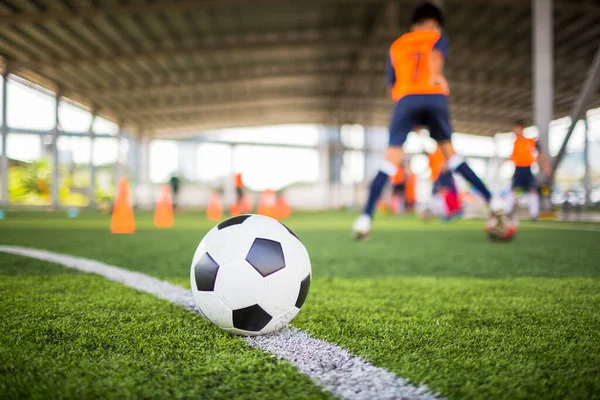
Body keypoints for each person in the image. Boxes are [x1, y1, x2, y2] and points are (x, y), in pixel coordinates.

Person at [353, 2, 498, 239]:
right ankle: (494, 203)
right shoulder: (435, 36)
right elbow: (435, 61)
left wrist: (409, 114)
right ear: (432, 22)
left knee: (389, 162)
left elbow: (392, 86)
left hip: (406, 100)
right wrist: (435, 79)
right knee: (452, 157)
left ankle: (364, 219)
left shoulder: (397, 45)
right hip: (434, 97)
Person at [506, 120, 551, 221]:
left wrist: (545, 166)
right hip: (518, 170)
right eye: (514, 129)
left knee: (532, 191)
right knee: (513, 191)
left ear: (522, 128)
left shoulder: (530, 141)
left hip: (527, 169)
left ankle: (534, 215)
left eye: (516, 128)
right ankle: (507, 212)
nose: (515, 131)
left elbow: (540, 154)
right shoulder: (515, 143)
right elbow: (512, 157)